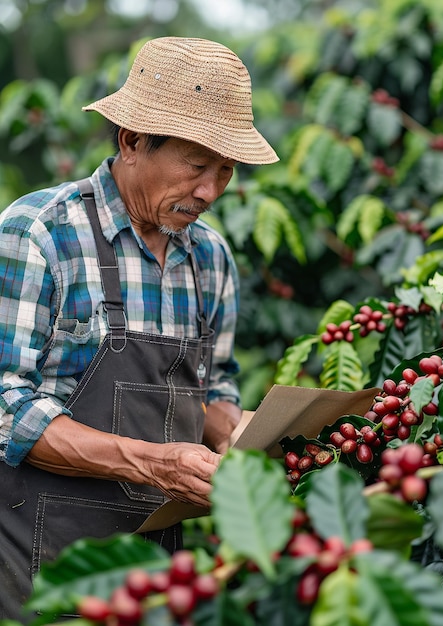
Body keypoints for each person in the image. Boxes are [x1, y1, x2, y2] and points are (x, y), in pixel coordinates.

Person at [0, 36, 279, 620]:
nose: (209, 192)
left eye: (225, 172)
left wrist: (239, 428)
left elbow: (210, 390)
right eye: (196, 165)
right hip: (37, 565)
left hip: (158, 576)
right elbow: (6, 410)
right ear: (131, 141)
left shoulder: (210, 259)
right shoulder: (40, 233)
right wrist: (152, 463)